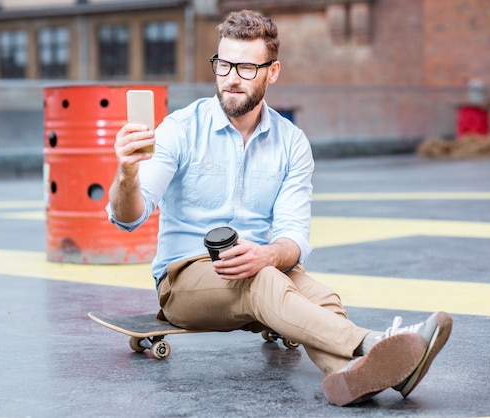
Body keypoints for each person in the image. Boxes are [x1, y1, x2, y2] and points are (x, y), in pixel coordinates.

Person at [106, 9, 452, 406]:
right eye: (224, 64)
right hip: (185, 281)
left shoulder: (292, 143)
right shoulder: (179, 129)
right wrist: (127, 173)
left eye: (248, 67)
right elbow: (128, 217)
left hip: (261, 268)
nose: (232, 78)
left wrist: (267, 254)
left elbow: (293, 236)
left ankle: (353, 377)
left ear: (272, 72)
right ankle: (378, 345)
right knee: (265, 282)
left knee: (322, 297)